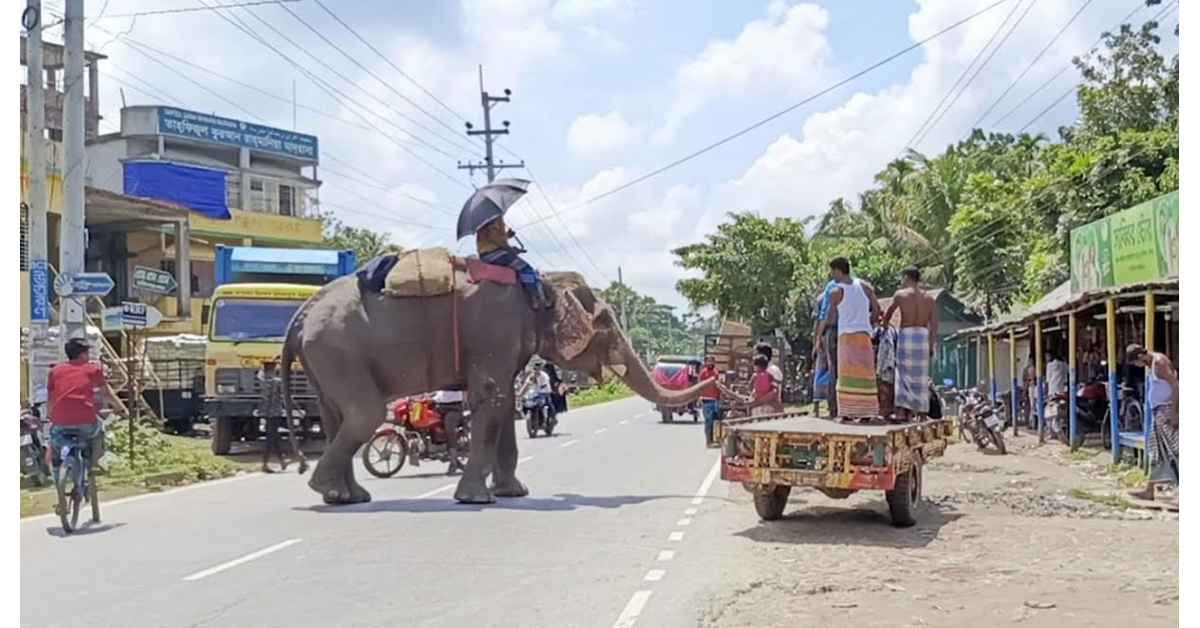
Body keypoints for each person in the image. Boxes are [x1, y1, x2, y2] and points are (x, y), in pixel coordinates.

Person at [815, 257, 882, 421]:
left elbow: (829, 318)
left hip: (846, 336)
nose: (831, 275)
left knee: (846, 375)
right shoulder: (865, 286)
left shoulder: (835, 292)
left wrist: (820, 336)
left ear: (838, 270)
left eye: (832, 271)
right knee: (865, 374)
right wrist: (871, 322)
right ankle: (867, 412)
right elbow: (877, 308)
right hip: (864, 335)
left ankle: (846, 412)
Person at [47, 339, 107, 480]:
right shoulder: (93, 369)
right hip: (86, 421)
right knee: (100, 429)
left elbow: (50, 399)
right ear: (82, 355)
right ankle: (94, 463)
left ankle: (57, 480)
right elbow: (106, 393)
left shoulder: (54, 371)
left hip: (60, 422)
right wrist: (116, 407)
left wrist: (51, 416)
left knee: (55, 448)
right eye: (87, 353)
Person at [882, 266, 937, 421]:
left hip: (907, 335)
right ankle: (921, 413)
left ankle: (901, 411)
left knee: (903, 375)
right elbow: (934, 324)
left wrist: (884, 325)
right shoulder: (929, 298)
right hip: (922, 335)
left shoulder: (901, 295)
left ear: (906, 277)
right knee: (921, 377)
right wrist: (932, 344)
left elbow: (889, 313)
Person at [1126, 345, 1178, 502]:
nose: (1138, 366)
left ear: (1142, 356)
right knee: (1157, 452)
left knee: (1176, 450)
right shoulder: (1154, 364)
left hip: (1167, 410)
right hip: (1159, 412)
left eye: (1137, 363)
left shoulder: (1159, 362)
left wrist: (1175, 412)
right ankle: (1150, 489)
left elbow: (1176, 385)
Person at [476, 215, 551, 309]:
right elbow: (497, 239)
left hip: (485, 254)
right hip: (495, 254)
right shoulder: (493, 219)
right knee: (525, 268)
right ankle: (533, 295)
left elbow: (493, 238)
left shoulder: (482, 221)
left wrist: (507, 235)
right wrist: (511, 249)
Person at [255, 360, 292, 473]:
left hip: (265, 411)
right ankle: (268, 463)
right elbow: (285, 395)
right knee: (272, 437)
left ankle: (281, 461)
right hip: (275, 411)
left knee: (273, 436)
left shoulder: (262, 381)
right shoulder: (278, 382)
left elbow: (259, 374)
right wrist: (297, 408)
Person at [811, 279, 839, 417]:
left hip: (825, 334)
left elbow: (818, 321)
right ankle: (833, 405)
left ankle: (818, 407)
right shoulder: (847, 291)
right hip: (838, 332)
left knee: (821, 369)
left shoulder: (821, 297)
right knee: (835, 370)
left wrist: (816, 341)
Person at [431, 389, 468, 475]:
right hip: (439, 405)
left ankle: (454, 462)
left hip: (454, 406)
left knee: (449, 428)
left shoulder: (455, 378)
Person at [697, 356, 722, 447]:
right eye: (709, 361)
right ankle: (708, 441)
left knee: (716, 420)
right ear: (706, 362)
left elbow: (718, 385)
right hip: (706, 399)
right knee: (708, 420)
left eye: (712, 361)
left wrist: (720, 397)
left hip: (715, 399)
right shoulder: (703, 373)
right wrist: (699, 397)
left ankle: (715, 439)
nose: (710, 363)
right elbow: (699, 385)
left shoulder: (716, 372)